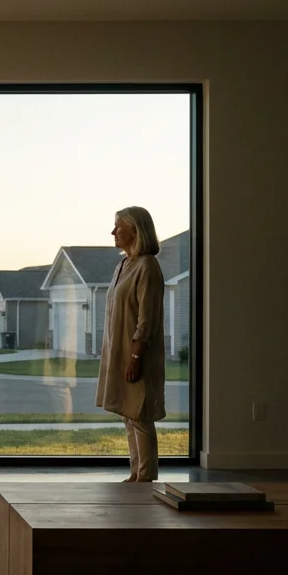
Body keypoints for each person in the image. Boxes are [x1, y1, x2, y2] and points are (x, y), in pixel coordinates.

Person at [98, 206, 167, 482]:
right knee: (128, 415)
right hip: (120, 352)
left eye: (119, 226)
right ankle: (136, 474)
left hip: (137, 354)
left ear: (136, 231)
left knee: (140, 415)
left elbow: (147, 319)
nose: (113, 232)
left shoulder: (147, 266)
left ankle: (146, 477)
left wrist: (136, 357)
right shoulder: (123, 265)